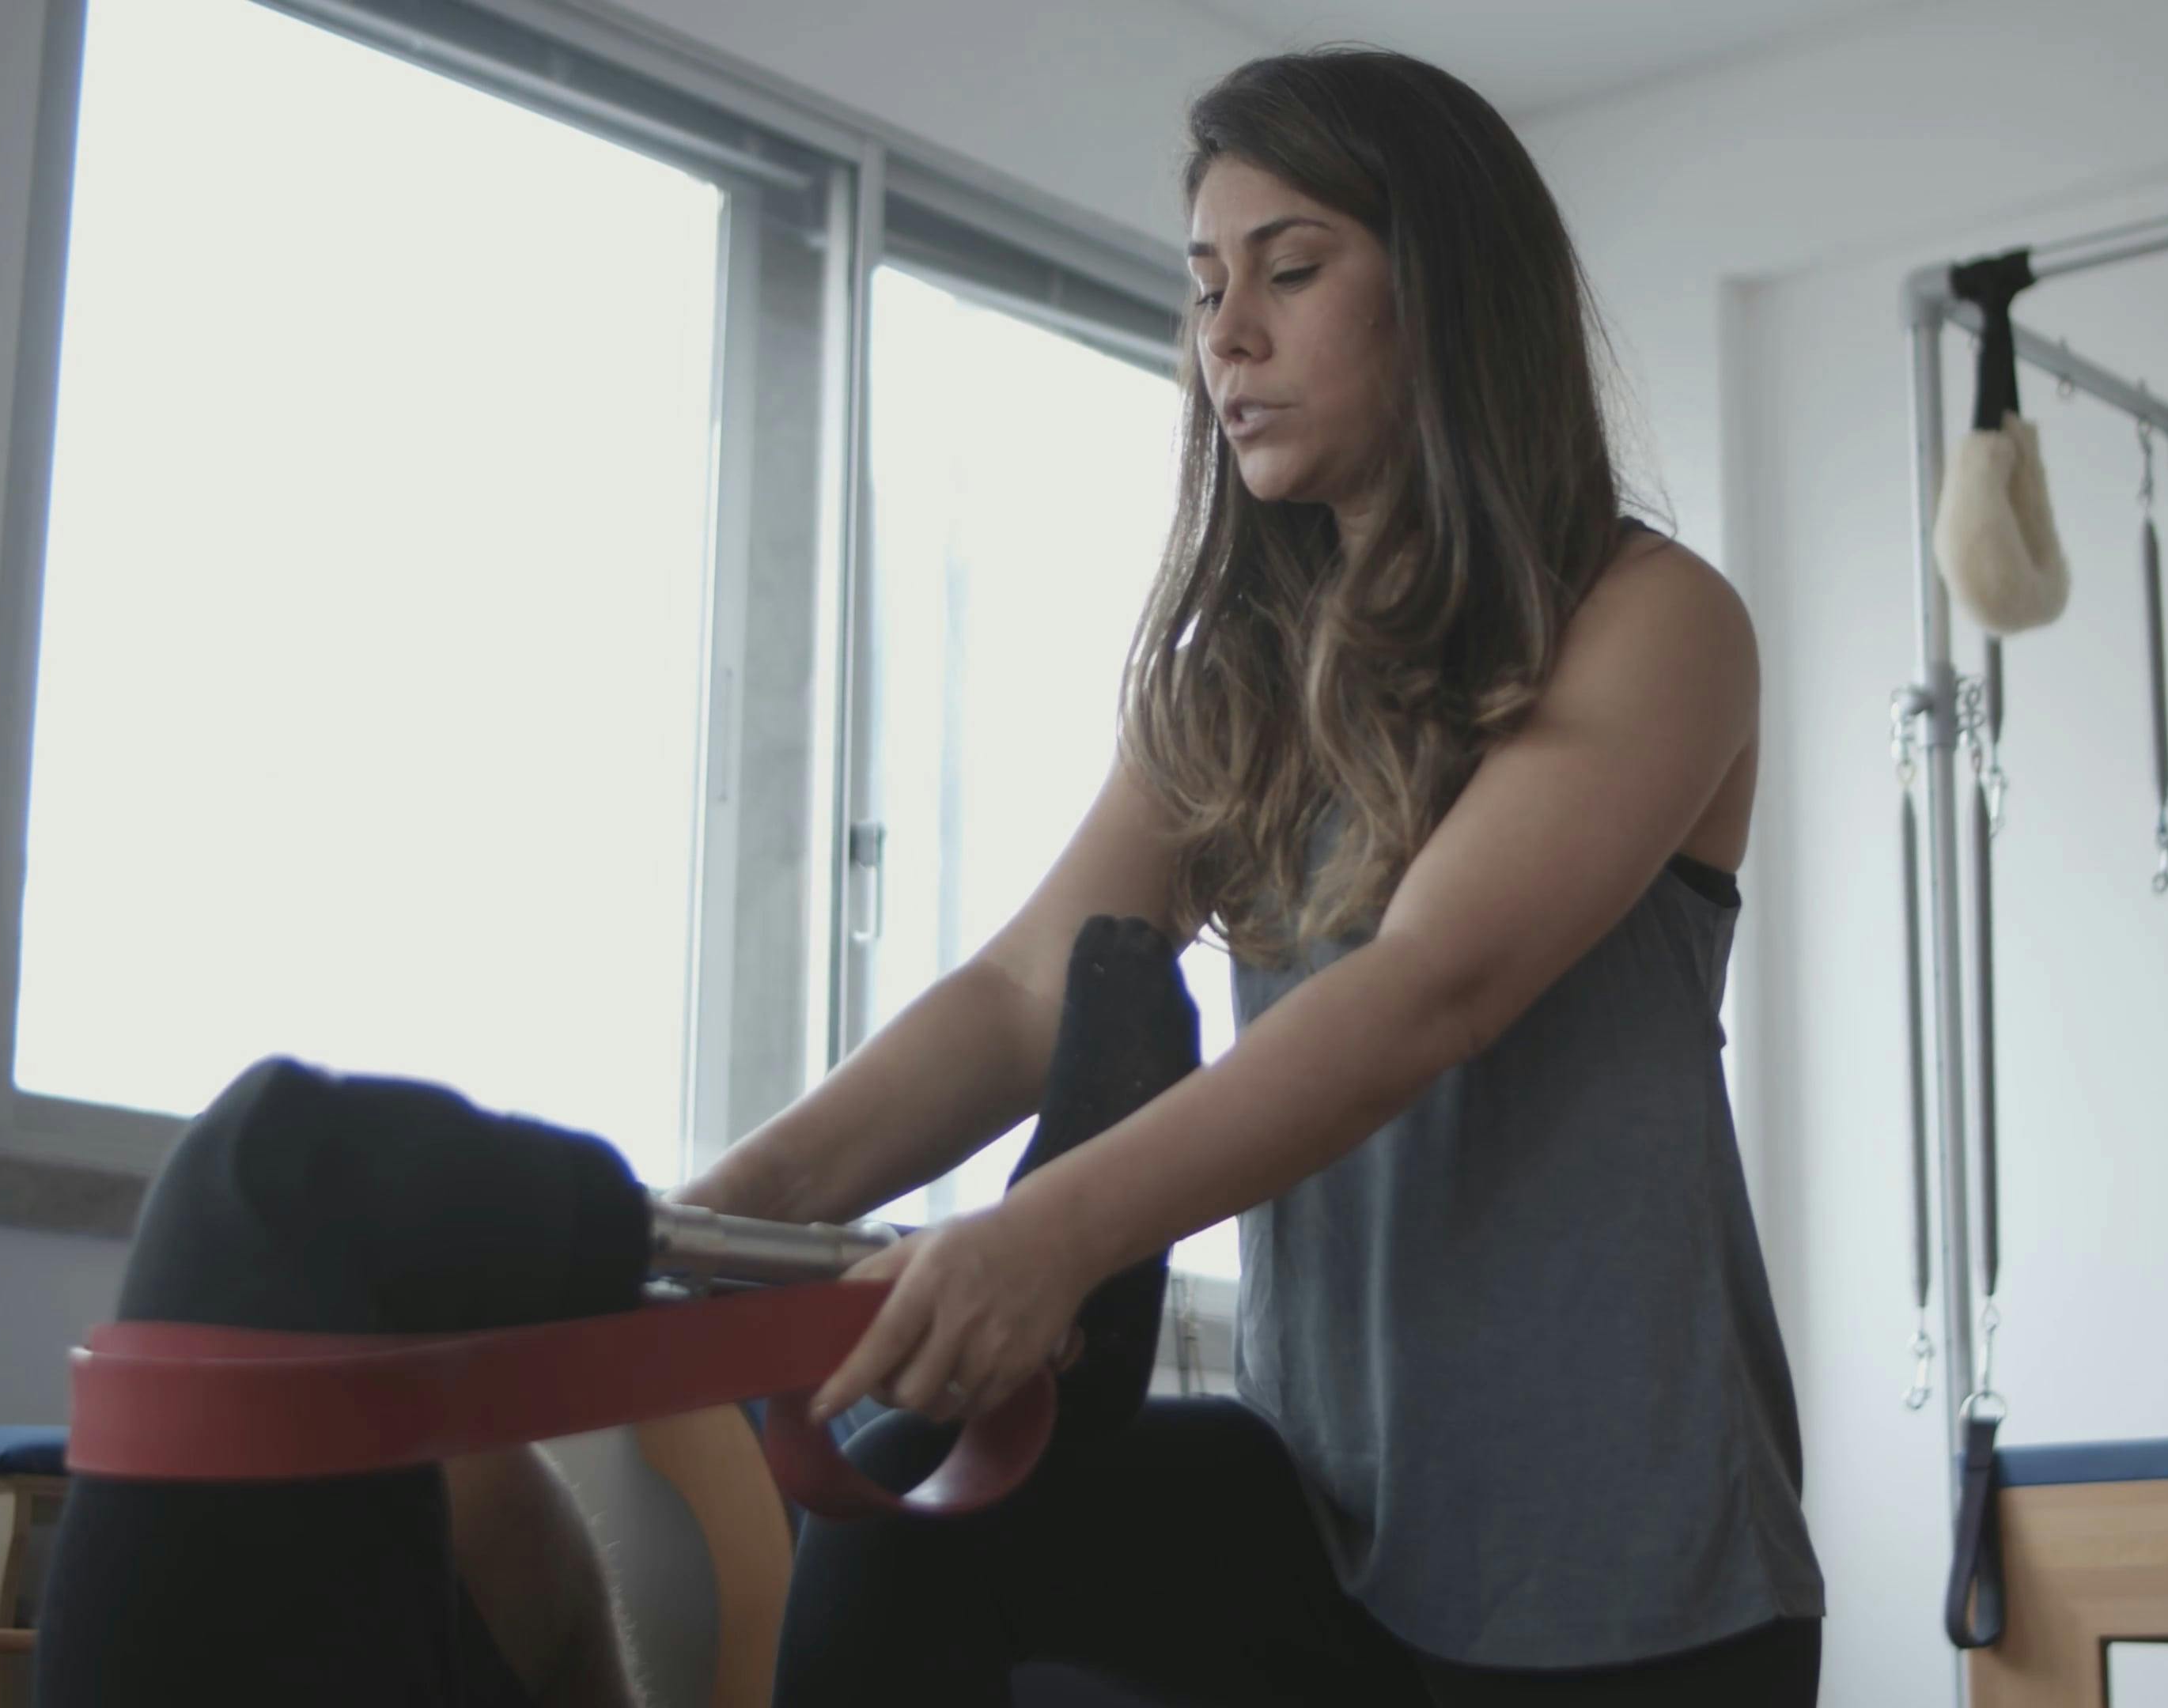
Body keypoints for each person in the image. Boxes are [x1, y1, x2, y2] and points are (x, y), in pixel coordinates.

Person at [666, 44, 1826, 1706]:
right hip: (1329, 1527)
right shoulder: (1242, 675)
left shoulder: (1655, 622)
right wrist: (713, 1221)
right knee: (912, 1516)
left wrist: (1043, 1239)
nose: (1229, 335)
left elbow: (1433, 985)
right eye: (1207, 286)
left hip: (1631, 1575)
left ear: (1447, 293)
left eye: (1290, 271)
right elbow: (1023, 993)